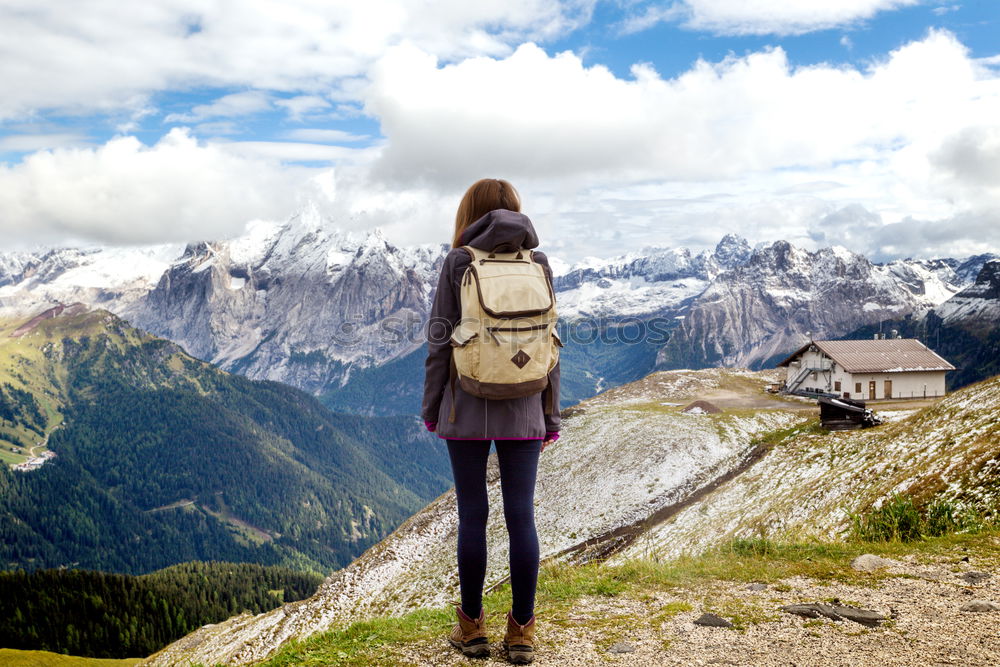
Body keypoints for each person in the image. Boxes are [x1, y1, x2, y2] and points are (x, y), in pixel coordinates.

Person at [422, 178, 561, 664]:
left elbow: (440, 340)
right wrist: (550, 413)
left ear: (469, 213)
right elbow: (550, 344)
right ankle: (521, 632)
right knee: (521, 515)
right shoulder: (537, 262)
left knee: (473, 515)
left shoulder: (460, 261)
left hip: (466, 404)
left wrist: (431, 409)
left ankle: (472, 629)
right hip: (527, 404)